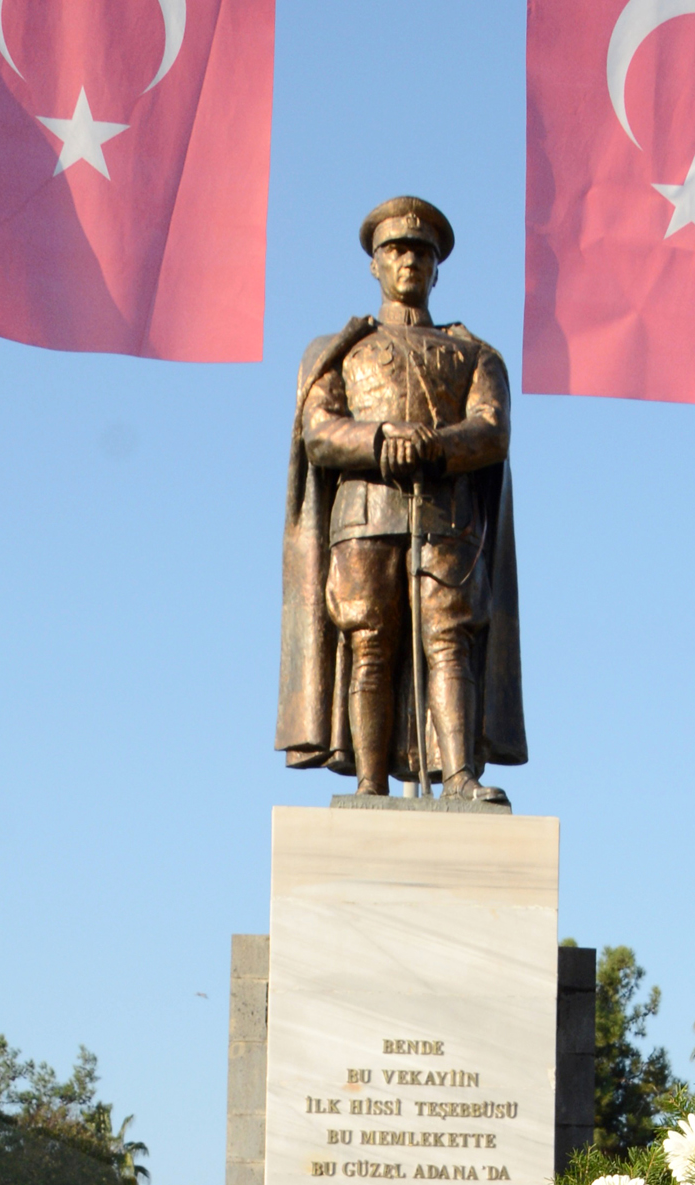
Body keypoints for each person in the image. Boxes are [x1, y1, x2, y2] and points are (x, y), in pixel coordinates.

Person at [276, 196, 524, 801]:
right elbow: (320, 431)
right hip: (362, 519)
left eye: (421, 251)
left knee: (450, 642)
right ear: (374, 266)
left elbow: (491, 430)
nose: (408, 260)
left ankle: (460, 776)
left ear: (437, 268)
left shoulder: (474, 354)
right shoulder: (341, 350)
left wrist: (434, 446)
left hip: (446, 522)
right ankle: (369, 782)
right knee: (370, 646)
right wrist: (382, 437)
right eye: (395, 250)